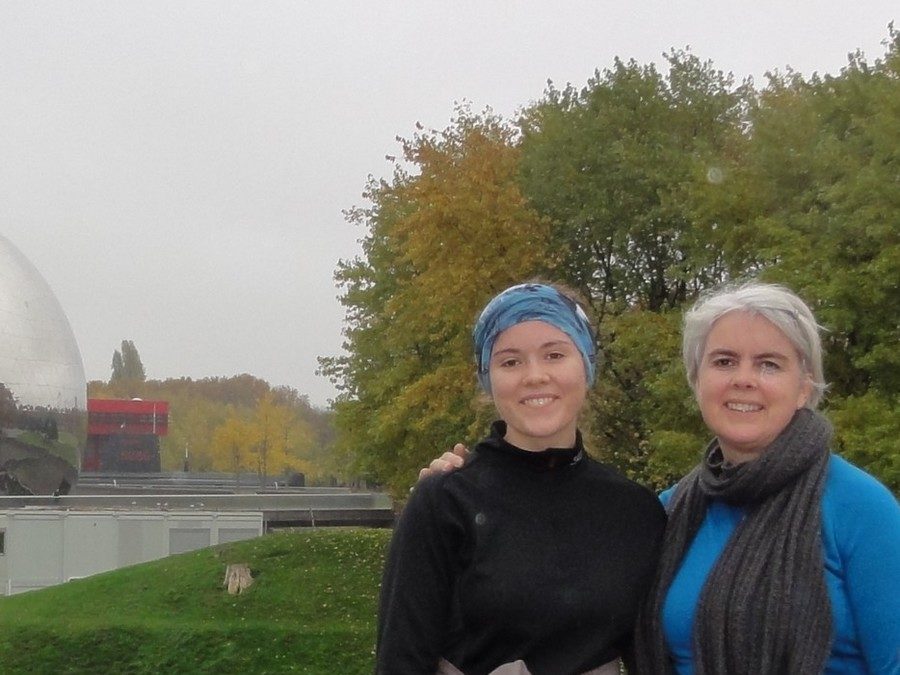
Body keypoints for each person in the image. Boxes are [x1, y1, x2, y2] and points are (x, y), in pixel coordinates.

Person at [423, 282, 900, 674]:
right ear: (697, 381)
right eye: (724, 361)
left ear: (804, 388)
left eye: (769, 364)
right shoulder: (669, 512)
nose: (744, 379)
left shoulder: (861, 511)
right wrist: (467, 487)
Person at [376, 282, 667, 675]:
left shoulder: (636, 511)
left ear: (587, 365)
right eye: (510, 361)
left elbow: (651, 656)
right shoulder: (445, 501)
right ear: (487, 377)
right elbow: (401, 661)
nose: (535, 376)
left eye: (554, 354)